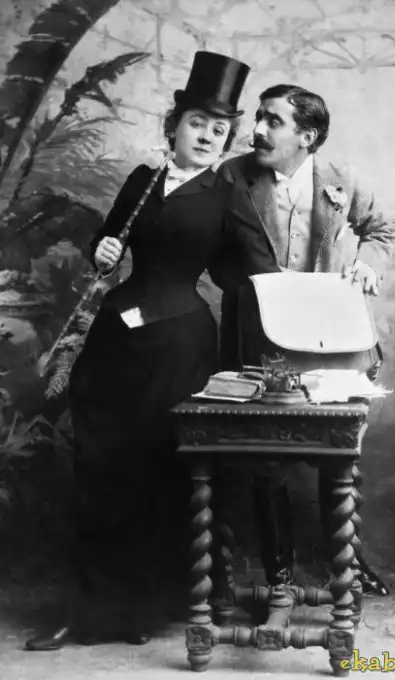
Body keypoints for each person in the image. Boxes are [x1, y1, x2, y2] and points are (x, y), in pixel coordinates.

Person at [25, 51, 250, 651]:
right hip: (116, 339)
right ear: (174, 125)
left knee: (154, 470)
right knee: (98, 467)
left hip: (179, 345)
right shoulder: (142, 180)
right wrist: (103, 249)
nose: (208, 135)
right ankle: (82, 609)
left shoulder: (227, 196)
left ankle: (139, 609)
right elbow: (109, 241)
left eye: (219, 129)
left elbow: (246, 275)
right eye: (198, 123)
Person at [212, 83, 395, 595]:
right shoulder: (233, 175)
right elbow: (212, 249)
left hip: (332, 340)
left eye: (273, 121)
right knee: (266, 458)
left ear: (307, 136)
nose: (257, 130)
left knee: (339, 452)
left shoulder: (342, 178)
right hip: (261, 341)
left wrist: (368, 264)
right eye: (259, 118)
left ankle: (346, 564)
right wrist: (257, 289)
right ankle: (279, 573)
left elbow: (381, 230)